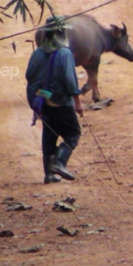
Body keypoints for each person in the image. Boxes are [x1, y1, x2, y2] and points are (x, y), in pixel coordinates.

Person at [26, 16, 83, 184]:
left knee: (50, 133)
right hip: (60, 100)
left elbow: (29, 75)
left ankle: (48, 175)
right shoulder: (64, 53)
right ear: (62, 33)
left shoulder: (38, 52)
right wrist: (77, 101)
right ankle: (59, 162)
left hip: (42, 99)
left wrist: (42, 93)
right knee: (73, 133)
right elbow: (69, 79)